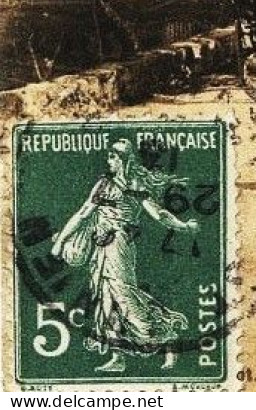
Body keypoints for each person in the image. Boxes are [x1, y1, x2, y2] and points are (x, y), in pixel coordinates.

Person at [50, 138, 201, 373]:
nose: (108, 160)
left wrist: (184, 227)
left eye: (112, 156)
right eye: (109, 156)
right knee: (105, 301)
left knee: (125, 296)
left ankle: (168, 338)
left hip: (120, 245)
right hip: (100, 249)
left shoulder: (136, 184)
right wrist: (60, 241)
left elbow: (159, 214)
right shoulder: (103, 184)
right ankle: (117, 357)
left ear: (122, 160)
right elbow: (82, 214)